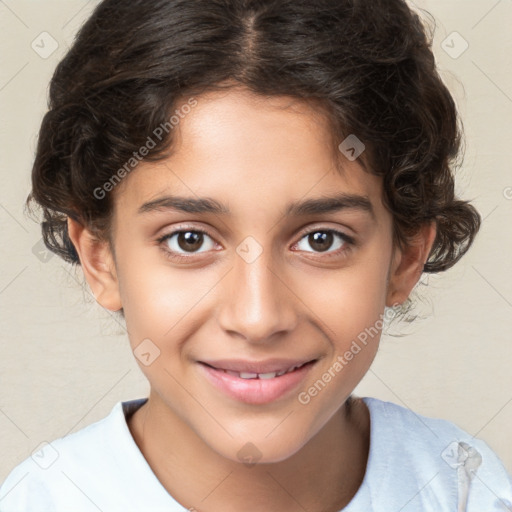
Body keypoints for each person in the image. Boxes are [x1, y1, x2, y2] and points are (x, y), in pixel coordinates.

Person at [1, 0, 511, 510]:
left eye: (321, 239)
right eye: (189, 239)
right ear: (100, 258)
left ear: (405, 257)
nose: (257, 318)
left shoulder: (465, 487)